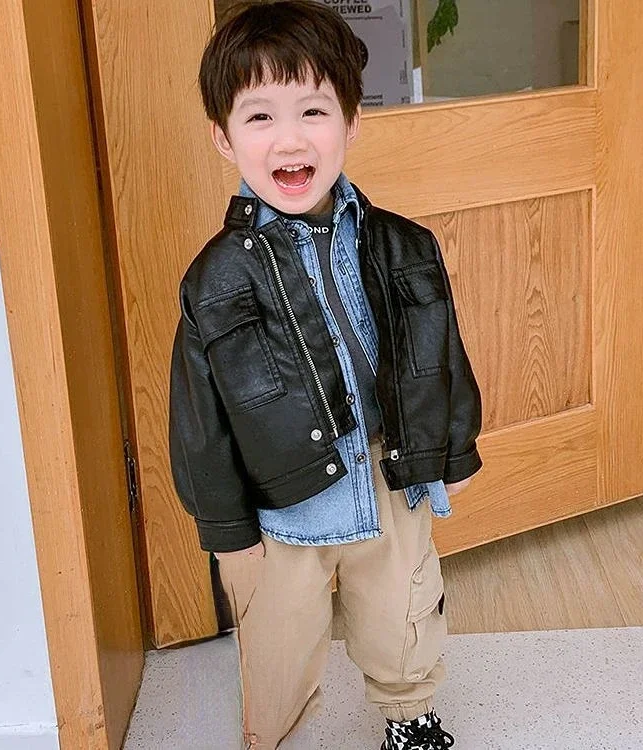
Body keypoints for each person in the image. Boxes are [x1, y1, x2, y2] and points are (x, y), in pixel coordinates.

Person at [168, 2, 482, 747]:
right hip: (281, 502)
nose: (290, 139)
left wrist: (452, 450)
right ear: (223, 137)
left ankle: (409, 712)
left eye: (313, 110)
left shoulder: (405, 245)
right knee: (278, 639)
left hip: (386, 471)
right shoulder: (215, 281)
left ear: (351, 122)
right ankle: (272, 732)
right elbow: (198, 419)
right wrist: (225, 526)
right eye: (260, 117)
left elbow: (441, 353)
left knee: (402, 611)